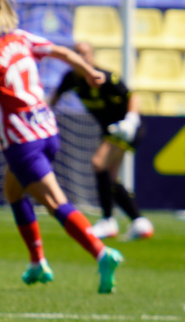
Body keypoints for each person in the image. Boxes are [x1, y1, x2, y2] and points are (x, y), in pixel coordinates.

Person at [0, 0, 124, 293]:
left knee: (55, 202)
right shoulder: (20, 38)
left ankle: (101, 252)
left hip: (21, 140)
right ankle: (37, 262)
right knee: (13, 192)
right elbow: (63, 53)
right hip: (47, 131)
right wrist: (90, 71)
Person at [50, 42, 154, 241]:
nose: (81, 57)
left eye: (85, 54)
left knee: (98, 163)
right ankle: (139, 222)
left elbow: (134, 97)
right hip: (109, 131)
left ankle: (108, 221)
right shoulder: (71, 78)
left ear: (92, 56)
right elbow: (53, 99)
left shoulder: (104, 77)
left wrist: (130, 121)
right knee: (109, 177)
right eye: (77, 53)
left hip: (127, 128)